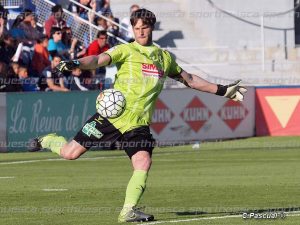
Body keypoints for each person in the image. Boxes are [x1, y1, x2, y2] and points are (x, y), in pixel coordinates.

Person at [29, 9, 247, 222]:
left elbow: (189, 79)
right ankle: (47, 140)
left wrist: (223, 90)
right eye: (137, 28)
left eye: (144, 28)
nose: (141, 32)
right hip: (111, 117)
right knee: (69, 153)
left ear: (152, 28)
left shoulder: (164, 58)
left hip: (137, 125)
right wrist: (77, 63)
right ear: (132, 29)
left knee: (143, 161)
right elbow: (96, 60)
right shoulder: (125, 50)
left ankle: (128, 211)